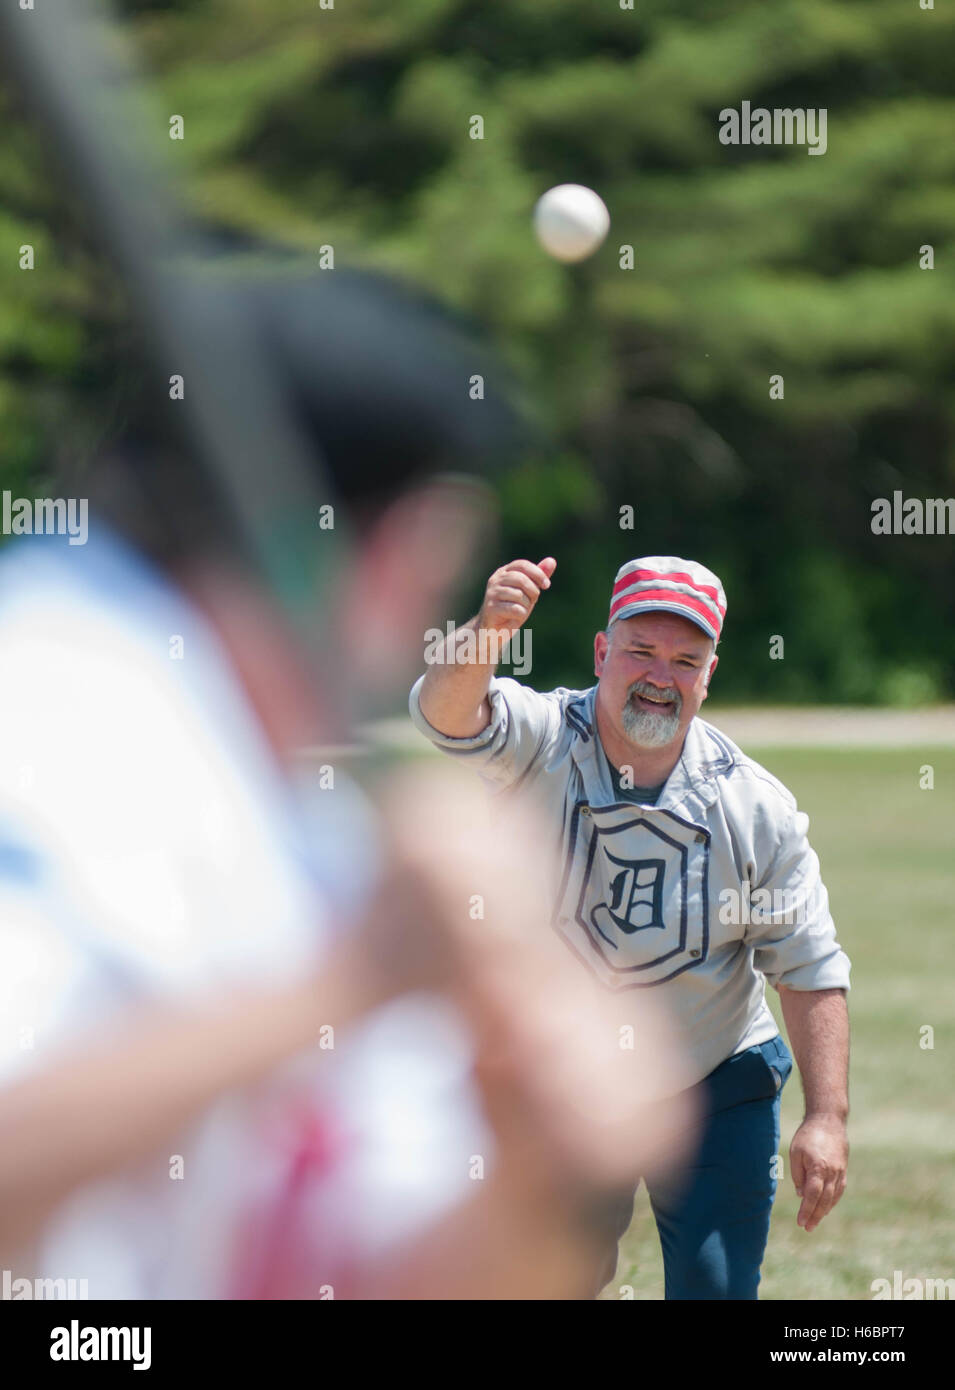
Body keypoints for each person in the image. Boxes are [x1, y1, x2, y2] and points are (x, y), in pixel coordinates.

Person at [0, 269, 692, 1300]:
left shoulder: (283, 802)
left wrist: (542, 1178)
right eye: (437, 564)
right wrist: (352, 977)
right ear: (397, 552)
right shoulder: (53, 709)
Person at [410, 553, 852, 1299]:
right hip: (561, 1073)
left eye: (685, 660)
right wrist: (489, 630)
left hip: (714, 1075)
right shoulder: (540, 736)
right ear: (600, 653)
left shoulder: (751, 805)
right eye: (640, 651)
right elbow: (443, 712)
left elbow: (808, 966)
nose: (659, 675)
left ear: (708, 675)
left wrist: (826, 1117)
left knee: (712, 1288)